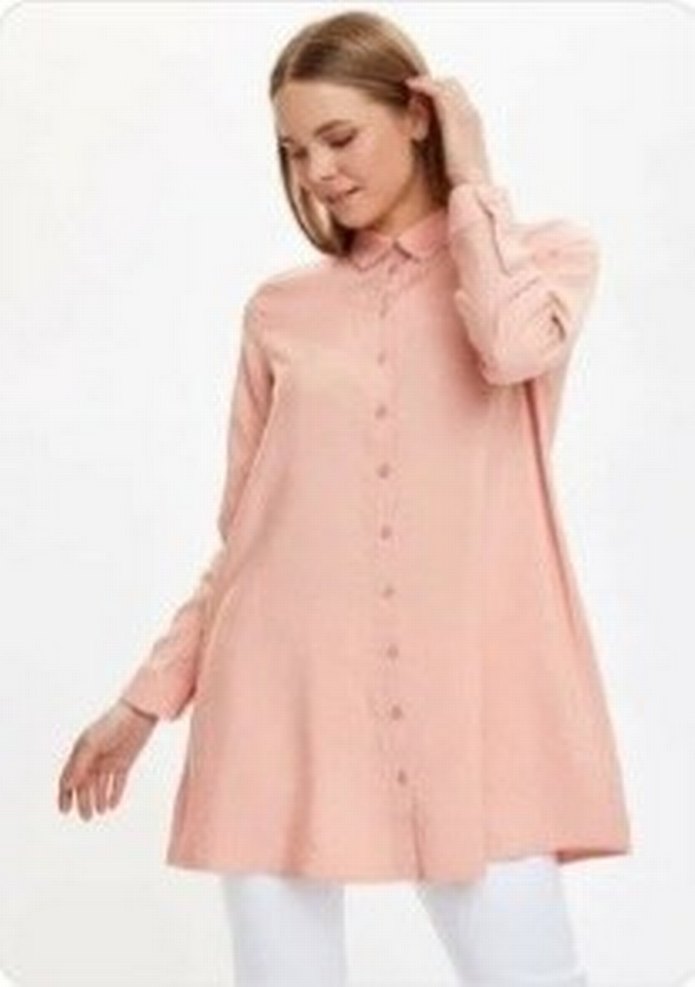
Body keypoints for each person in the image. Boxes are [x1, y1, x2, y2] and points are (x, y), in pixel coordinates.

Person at [57, 10, 632, 985]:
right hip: (279, 705)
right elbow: (251, 540)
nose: (316, 172)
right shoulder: (279, 312)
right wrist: (145, 701)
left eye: (337, 137)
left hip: (474, 710)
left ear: (416, 116)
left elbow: (510, 349)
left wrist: (471, 176)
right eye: (293, 150)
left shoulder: (539, 258)